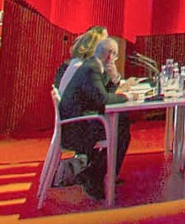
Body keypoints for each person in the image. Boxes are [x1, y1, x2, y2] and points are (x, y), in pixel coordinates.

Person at [52, 25, 133, 201]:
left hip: (77, 121)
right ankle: (95, 175)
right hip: (77, 129)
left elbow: (101, 95)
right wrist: (127, 96)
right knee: (121, 128)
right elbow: (103, 101)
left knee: (121, 122)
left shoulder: (87, 65)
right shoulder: (89, 68)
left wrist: (115, 80)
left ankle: (98, 173)